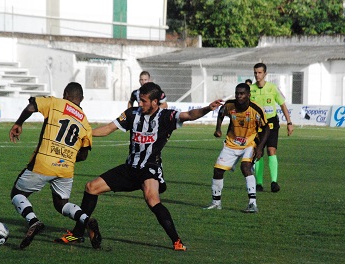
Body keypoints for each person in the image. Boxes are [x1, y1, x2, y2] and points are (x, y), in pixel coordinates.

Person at [55, 82, 222, 251]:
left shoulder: (166, 116)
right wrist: (83, 133)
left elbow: (190, 115)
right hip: (130, 168)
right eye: (139, 100)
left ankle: (176, 241)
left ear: (155, 102)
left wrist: (208, 108)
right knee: (91, 187)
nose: (140, 104)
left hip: (149, 168)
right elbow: (107, 129)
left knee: (152, 200)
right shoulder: (132, 114)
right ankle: (77, 233)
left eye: (144, 101)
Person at [9, 82, 101, 250]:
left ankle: (33, 221)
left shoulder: (55, 103)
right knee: (61, 203)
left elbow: (31, 107)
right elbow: (83, 155)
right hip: (65, 168)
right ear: (82, 99)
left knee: (17, 193)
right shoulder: (85, 123)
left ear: (65, 93)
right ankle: (86, 220)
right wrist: (65, 156)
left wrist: (19, 123)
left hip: (43, 162)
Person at [204, 83, 269, 213]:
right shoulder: (229, 105)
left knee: (245, 167)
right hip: (232, 142)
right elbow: (221, 113)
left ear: (248, 95)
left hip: (250, 143)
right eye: (237, 93)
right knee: (218, 170)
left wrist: (260, 148)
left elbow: (266, 128)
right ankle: (216, 203)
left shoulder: (256, 109)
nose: (239, 96)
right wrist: (218, 129)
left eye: (242, 93)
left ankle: (252, 204)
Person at [250, 63, 294, 193]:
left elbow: (283, 105)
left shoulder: (273, 88)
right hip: (257, 125)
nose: (257, 75)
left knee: (271, 151)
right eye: (255, 73)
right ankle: (259, 183)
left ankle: (274, 182)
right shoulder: (250, 89)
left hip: (271, 123)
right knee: (258, 153)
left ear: (265, 74)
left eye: (259, 73)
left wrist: (289, 122)